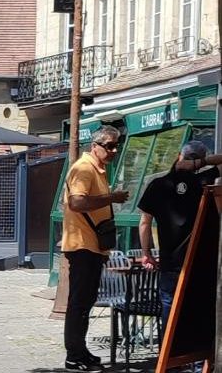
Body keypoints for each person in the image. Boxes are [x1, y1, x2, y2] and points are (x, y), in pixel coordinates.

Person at [62, 125, 130, 371]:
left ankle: (80, 351)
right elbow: (77, 202)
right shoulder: (84, 168)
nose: (113, 151)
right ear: (96, 146)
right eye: (109, 146)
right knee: (79, 302)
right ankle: (74, 356)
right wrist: (111, 198)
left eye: (116, 146)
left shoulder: (98, 170)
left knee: (86, 301)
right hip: (82, 245)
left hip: (92, 246)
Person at [137, 140, 222, 331]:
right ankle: (197, 359)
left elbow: (144, 222)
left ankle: (168, 357)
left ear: (178, 157)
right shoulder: (203, 181)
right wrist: (201, 162)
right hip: (198, 260)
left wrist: (146, 253)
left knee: (169, 307)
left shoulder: (158, 185)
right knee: (198, 310)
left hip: (170, 262)